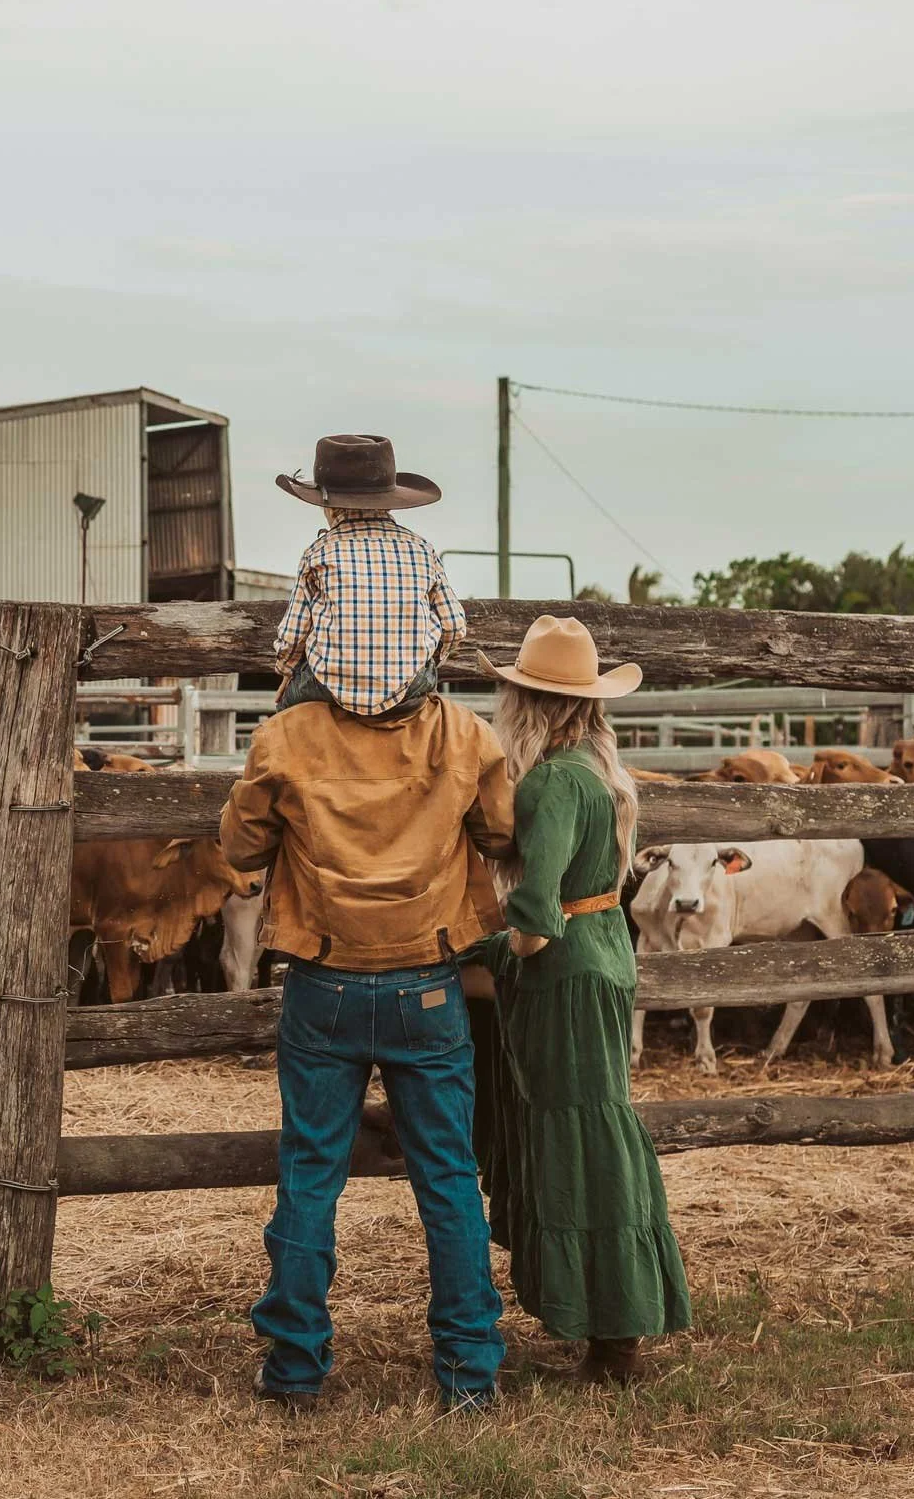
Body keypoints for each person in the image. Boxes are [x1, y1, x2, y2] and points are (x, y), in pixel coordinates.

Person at [219, 604, 517, 1413]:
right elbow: (500, 833)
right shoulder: (463, 733)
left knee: (311, 1173)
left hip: (325, 976)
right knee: (450, 1178)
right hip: (427, 977)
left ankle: (295, 1369)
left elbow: (242, 849)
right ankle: (468, 1373)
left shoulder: (287, 735)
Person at [463, 615, 692, 1383]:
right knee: (599, 1126)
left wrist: (496, 950)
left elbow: (536, 908)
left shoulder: (556, 780)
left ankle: (615, 1336)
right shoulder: (598, 772)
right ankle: (610, 1324)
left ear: (529, 703)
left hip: (564, 970)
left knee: (586, 1137)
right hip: (603, 954)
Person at [271, 434, 466, 721]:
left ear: (329, 505)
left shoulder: (320, 552)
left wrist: (287, 673)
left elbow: (292, 636)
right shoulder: (421, 549)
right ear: (388, 501)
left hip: (330, 683)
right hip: (410, 685)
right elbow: (454, 626)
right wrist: (423, 663)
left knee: (282, 721)